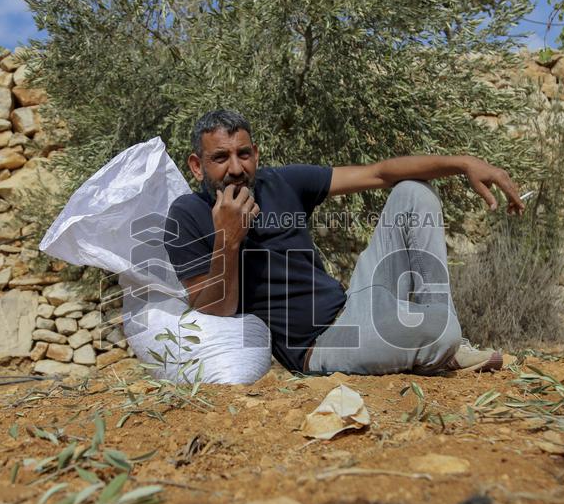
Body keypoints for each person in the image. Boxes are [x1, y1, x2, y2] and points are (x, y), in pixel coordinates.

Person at [163, 109, 524, 375]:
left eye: (243, 154)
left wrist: (463, 164)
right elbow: (214, 312)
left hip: (354, 302)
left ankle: (451, 345)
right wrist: (228, 240)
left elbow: (378, 172)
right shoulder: (188, 214)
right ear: (197, 166)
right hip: (321, 346)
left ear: (255, 154)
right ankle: (443, 340)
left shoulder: (282, 183)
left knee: (414, 193)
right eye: (220, 158)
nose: (236, 168)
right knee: (436, 329)